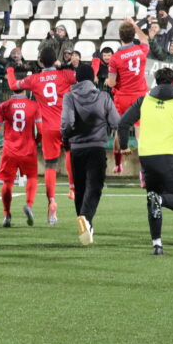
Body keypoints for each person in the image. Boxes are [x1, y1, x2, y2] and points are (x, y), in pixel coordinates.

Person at [117, 67, 173, 255]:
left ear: (156, 83)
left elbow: (123, 123)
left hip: (147, 157)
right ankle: (159, 200)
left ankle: (157, 244)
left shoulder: (143, 101)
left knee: (152, 200)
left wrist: (124, 146)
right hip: (170, 156)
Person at [6, 47, 77, 226]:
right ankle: (72, 188)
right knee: (70, 152)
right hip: (66, 123)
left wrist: (10, 69)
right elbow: (87, 77)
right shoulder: (65, 75)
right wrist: (94, 62)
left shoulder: (34, 79)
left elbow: (13, 85)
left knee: (50, 165)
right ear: (56, 60)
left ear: (40, 62)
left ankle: (51, 202)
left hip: (48, 127)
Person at [60, 64, 120, 246]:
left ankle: (86, 225)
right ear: (93, 78)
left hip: (77, 150)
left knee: (80, 188)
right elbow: (116, 122)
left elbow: (67, 122)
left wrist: (66, 137)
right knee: (94, 187)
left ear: (77, 79)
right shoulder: (103, 96)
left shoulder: (69, 97)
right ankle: (86, 219)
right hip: (96, 148)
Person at [0, 81, 41, 227]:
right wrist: (36, 141)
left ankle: (7, 215)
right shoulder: (34, 105)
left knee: (8, 182)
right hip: (28, 149)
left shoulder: (4, 106)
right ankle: (29, 205)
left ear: (12, 89)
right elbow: (41, 130)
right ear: (26, 89)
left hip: (10, 150)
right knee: (32, 177)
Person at [105, 18, 150, 177]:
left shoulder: (115, 57)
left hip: (123, 97)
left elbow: (111, 83)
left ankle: (118, 165)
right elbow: (145, 39)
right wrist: (134, 24)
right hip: (140, 96)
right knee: (140, 135)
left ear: (120, 36)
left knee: (120, 131)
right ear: (133, 35)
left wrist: (107, 81)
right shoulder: (141, 50)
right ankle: (144, 172)